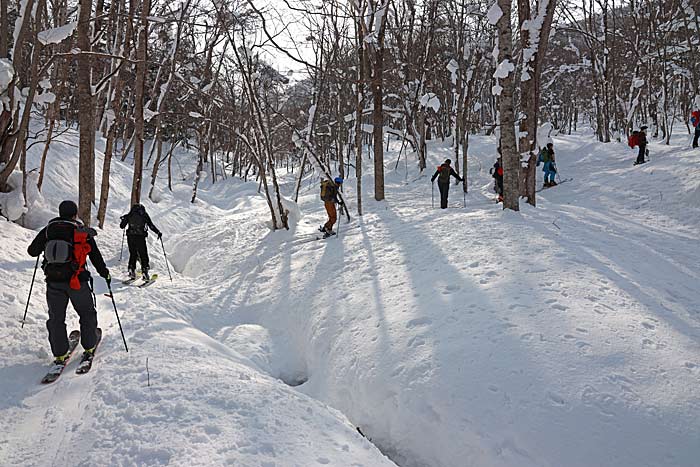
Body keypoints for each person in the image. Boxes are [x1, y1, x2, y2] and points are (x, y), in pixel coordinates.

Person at [27, 200, 110, 367]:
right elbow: (95, 256)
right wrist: (105, 273)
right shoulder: (80, 231)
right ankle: (88, 346)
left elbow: (32, 251)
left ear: (60, 212)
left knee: (56, 318)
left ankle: (59, 354)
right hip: (77, 281)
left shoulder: (49, 229)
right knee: (87, 313)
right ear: (75, 214)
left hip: (53, 282)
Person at [120, 203, 161, 280]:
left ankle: (131, 270)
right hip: (140, 237)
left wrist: (124, 219)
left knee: (133, 254)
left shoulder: (130, 214)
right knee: (143, 254)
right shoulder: (144, 215)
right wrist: (158, 232)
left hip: (130, 237)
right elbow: (151, 225)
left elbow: (122, 226)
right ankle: (145, 272)